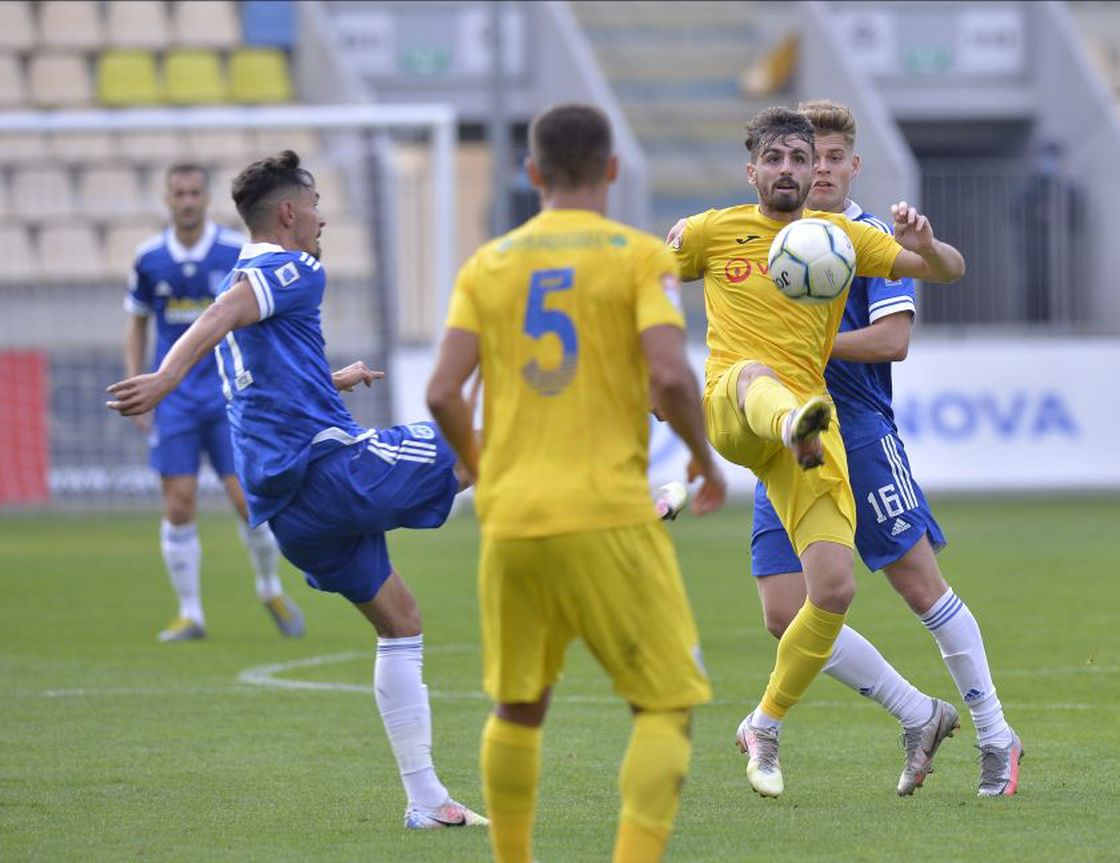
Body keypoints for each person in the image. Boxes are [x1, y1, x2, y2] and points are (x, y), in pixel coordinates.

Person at [107, 151, 486, 830]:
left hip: (290, 513)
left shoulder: (245, 273)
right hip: (327, 468)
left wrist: (327, 380)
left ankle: (427, 800)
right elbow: (219, 316)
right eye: (313, 205)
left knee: (400, 620)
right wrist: (164, 379)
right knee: (475, 449)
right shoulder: (290, 268)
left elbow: (248, 370)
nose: (321, 218)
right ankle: (621, 495)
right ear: (287, 213)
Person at [670, 101, 1020, 797]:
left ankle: (994, 733)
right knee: (782, 611)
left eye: (822, 158)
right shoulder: (725, 232)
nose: (809, 169)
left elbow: (897, 336)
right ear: (757, 167)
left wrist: (920, 242)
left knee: (910, 583)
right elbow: (648, 272)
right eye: (795, 157)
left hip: (848, 423)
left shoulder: (853, 236)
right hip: (775, 418)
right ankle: (915, 712)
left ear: (847, 165)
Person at [426, 103, 727, 863]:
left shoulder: (487, 264)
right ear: (614, 170)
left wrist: (488, 471)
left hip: (513, 520)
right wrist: (704, 457)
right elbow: (669, 372)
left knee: (519, 706)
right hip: (608, 516)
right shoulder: (635, 257)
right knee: (663, 705)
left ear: (532, 174)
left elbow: (440, 393)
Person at [123, 163, 303, 642]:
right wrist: (137, 381)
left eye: (194, 192)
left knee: (247, 500)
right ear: (168, 199)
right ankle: (190, 613)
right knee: (178, 504)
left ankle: (270, 587)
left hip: (229, 394)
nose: (187, 201)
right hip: (175, 400)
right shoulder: (149, 258)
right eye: (178, 192)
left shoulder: (233, 252)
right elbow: (138, 321)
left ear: (207, 199)